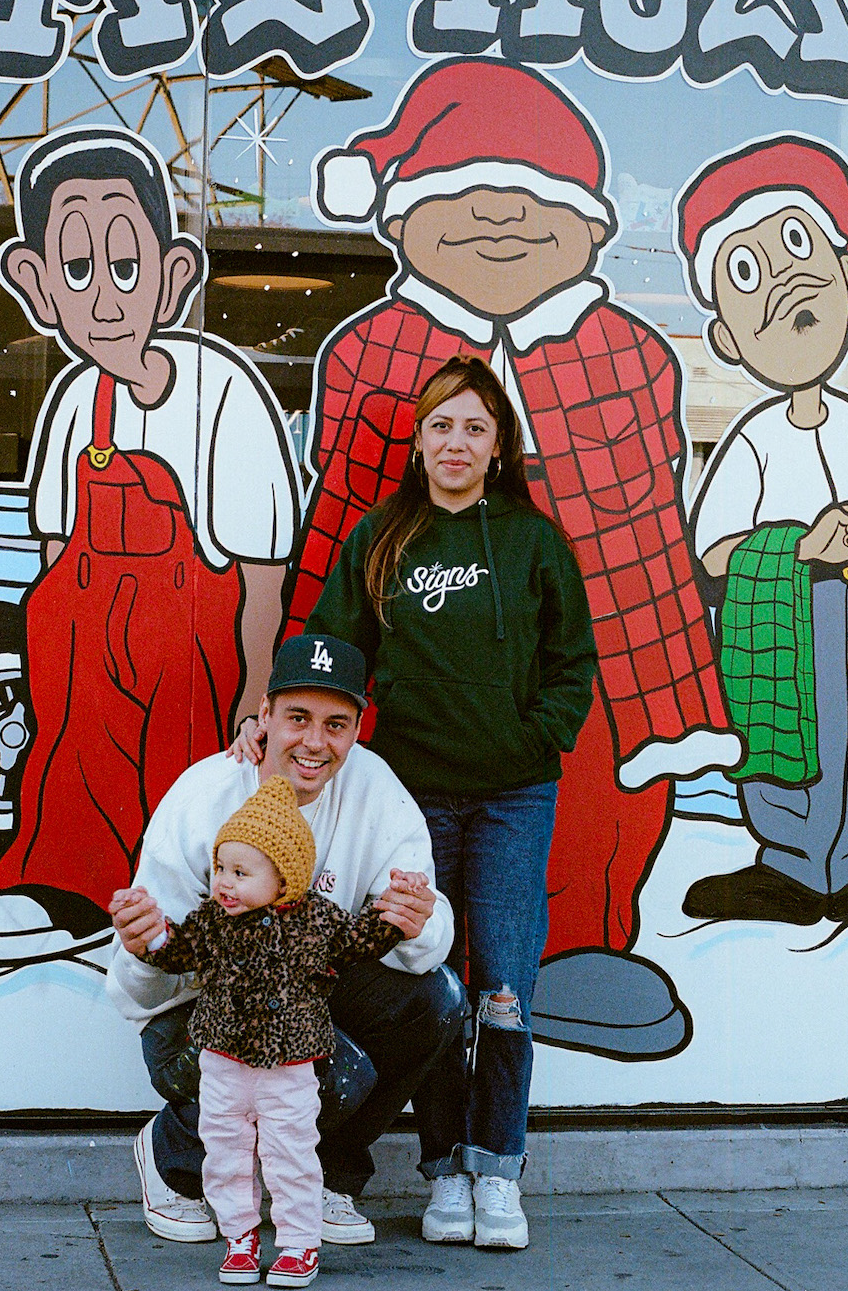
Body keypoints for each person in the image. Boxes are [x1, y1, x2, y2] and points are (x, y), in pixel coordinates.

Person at [289, 57, 741, 1061]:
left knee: (614, 789)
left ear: (588, 227)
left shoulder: (631, 353)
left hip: (591, 658)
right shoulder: (373, 351)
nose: (498, 219)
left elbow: (653, 519)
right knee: (415, 886)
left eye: (529, 200)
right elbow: (334, 544)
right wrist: (297, 707)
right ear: (401, 219)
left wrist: (554, 722)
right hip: (422, 736)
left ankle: (584, 944)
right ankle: (418, 1008)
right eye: (462, 197)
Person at [0, 125, 300, 967]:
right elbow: (57, 549)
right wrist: (55, 649)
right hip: (85, 644)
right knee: (72, 768)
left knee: (181, 786)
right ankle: (64, 886)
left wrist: (253, 705)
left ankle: (178, 905)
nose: (104, 296)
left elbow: (261, 577)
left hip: (190, 646)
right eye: (76, 271)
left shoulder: (225, 396)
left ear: (174, 274)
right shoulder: (75, 397)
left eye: (126, 266)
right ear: (36, 287)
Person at [304, 354, 597, 1249]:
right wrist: (279, 719)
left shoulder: (533, 540)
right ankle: (443, 1174)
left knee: (504, 988)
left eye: (474, 427)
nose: (456, 443)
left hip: (514, 797)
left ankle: (497, 1174)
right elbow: (331, 651)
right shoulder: (383, 537)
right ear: (420, 441)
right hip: (412, 798)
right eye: (441, 426)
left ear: (499, 443)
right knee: (424, 981)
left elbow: (572, 664)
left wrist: (531, 737)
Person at [677, 135, 848, 926]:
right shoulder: (755, 437)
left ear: (844, 275)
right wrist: (800, 545)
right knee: (797, 739)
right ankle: (790, 864)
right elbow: (713, 552)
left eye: (799, 248)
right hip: (789, 614)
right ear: (729, 341)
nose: (786, 282)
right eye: (748, 273)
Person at [107, 633, 460, 1252]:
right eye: (298, 718)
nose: (315, 743)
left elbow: (427, 940)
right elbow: (142, 989)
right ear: (264, 715)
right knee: (329, 1068)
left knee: (439, 999)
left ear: (357, 728)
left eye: (337, 724)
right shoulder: (205, 795)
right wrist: (143, 947)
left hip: (307, 994)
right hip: (198, 1014)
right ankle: (174, 1161)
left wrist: (417, 918)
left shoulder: (375, 788)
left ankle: (327, 1175)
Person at [129, 774, 405, 1288]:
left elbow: (361, 940)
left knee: (291, 1153)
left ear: (284, 880)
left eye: (240, 871)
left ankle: (299, 1244)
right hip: (222, 1062)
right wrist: (148, 935)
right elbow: (173, 953)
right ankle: (240, 1238)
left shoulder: (316, 922)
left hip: (290, 1065)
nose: (224, 882)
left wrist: (395, 914)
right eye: (219, 868)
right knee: (226, 1150)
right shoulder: (212, 921)